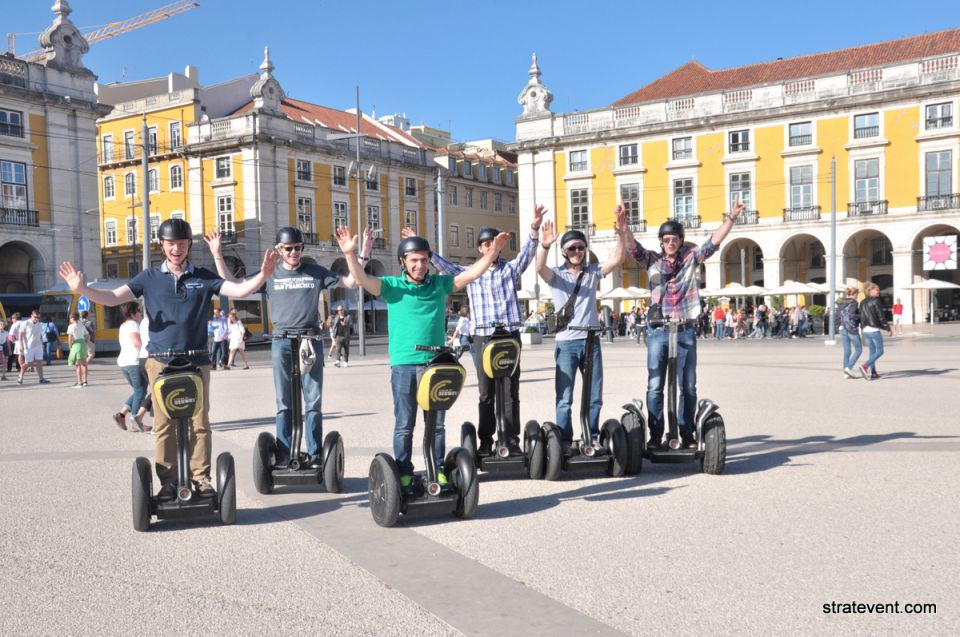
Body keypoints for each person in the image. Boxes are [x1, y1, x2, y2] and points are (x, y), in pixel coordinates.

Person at [59, 218, 278, 498]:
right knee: (164, 424)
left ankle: (201, 479)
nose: (176, 248)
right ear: (162, 245)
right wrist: (83, 290)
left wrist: (263, 275)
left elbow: (239, 290)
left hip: (196, 358)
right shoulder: (148, 278)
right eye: (171, 243)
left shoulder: (203, 276)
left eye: (182, 243)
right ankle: (168, 481)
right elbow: (114, 297)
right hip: (160, 360)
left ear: (188, 245)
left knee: (200, 422)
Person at [336, 224, 509, 490]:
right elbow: (361, 279)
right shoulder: (392, 286)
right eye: (414, 260)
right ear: (403, 262)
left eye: (424, 260)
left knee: (437, 424)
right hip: (404, 365)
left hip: (435, 365)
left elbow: (472, 274)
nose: (420, 265)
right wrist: (350, 254)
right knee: (405, 424)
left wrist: (493, 252)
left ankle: (436, 469)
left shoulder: (439, 285)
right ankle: (404, 471)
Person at [208, 226, 368, 467]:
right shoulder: (270, 273)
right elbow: (234, 284)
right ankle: (283, 454)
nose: (294, 252)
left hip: (310, 341)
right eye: (289, 248)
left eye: (298, 248)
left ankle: (315, 454)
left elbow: (351, 281)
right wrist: (218, 255)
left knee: (313, 402)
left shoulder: (314, 272)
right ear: (280, 250)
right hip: (281, 341)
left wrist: (359, 252)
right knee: (284, 403)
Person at [402, 208, 543, 455]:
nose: (490, 246)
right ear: (480, 248)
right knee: (486, 391)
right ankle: (486, 440)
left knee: (511, 390)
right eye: (486, 243)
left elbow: (528, 254)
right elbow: (442, 265)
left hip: (509, 335)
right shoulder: (471, 273)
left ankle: (511, 439)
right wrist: (421, 246)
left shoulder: (510, 270)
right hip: (482, 337)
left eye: (493, 242)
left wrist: (534, 229)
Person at [623, 197, 746, 448]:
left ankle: (686, 434)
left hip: (685, 331)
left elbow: (714, 241)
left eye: (674, 239)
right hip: (658, 330)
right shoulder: (652, 260)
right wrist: (623, 225)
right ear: (661, 242)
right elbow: (632, 247)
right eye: (666, 240)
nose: (670, 243)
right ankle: (656, 436)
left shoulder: (691, 257)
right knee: (655, 385)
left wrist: (731, 217)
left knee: (688, 386)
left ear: (680, 241)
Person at [535, 206, 627, 454]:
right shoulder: (556, 275)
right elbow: (539, 268)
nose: (577, 252)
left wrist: (621, 233)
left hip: (591, 340)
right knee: (564, 398)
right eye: (572, 248)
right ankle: (564, 441)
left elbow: (617, 259)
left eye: (580, 248)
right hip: (566, 342)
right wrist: (544, 246)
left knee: (594, 395)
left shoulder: (593, 272)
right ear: (564, 251)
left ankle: (592, 436)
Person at [114, 302, 147, 432]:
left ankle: (121, 414)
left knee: (138, 391)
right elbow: (136, 342)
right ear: (133, 314)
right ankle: (135, 422)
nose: (140, 313)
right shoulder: (134, 324)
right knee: (140, 391)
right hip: (133, 361)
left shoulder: (123, 325)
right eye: (138, 310)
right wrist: (147, 352)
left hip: (123, 362)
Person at [859, 282, 892, 380]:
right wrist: (887, 328)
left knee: (872, 352)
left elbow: (861, 316)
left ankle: (873, 373)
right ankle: (865, 366)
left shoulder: (862, 302)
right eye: (877, 290)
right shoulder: (876, 301)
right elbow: (881, 316)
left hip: (865, 329)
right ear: (870, 290)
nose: (879, 291)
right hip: (873, 329)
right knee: (880, 351)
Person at [836, 286, 863, 378]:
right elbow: (851, 315)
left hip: (842, 328)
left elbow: (837, 316)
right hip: (851, 328)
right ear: (855, 294)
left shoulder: (840, 302)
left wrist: (840, 324)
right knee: (859, 349)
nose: (857, 296)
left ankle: (845, 373)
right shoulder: (854, 302)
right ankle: (848, 367)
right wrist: (859, 316)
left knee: (847, 351)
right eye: (857, 294)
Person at [18, 310, 50, 385]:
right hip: (29, 346)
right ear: (31, 316)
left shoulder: (39, 324)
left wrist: (42, 345)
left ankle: (41, 378)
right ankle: (20, 376)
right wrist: (21, 344)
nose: (37, 319)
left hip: (38, 345)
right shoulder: (26, 323)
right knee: (28, 363)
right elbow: (20, 334)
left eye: (38, 317)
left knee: (39, 362)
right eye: (35, 317)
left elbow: (40, 335)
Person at [65, 313, 89, 387]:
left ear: (72, 318)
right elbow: (87, 335)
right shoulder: (82, 325)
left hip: (76, 345)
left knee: (78, 365)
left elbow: (70, 338)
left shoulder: (71, 327)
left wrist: (70, 347)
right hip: (83, 344)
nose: (70, 320)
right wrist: (85, 343)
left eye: (70, 318)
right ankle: (85, 381)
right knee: (84, 364)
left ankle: (79, 382)